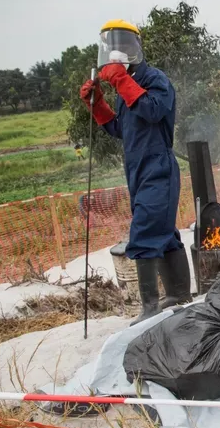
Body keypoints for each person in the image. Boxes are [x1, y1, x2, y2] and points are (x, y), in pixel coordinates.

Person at [79, 19, 192, 324]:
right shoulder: (125, 87)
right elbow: (123, 129)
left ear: (133, 48)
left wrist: (121, 83)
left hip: (159, 170)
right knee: (164, 235)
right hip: (139, 173)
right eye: (111, 49)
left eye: (121, 47)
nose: (116, 55)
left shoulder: (155, 79)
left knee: (143, 232)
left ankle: (151, 306)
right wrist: (99, 105)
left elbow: (154, 110)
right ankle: (180, 293)